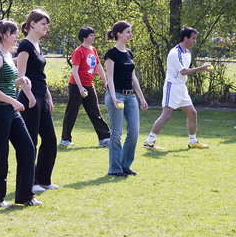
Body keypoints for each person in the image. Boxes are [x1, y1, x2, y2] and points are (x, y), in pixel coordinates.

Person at [0, 20, 42, 207]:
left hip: (9, 109)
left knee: (27, 148)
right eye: (14, 33)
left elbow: (6, 82)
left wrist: (20, 80)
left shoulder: (8, 55)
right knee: (0, 155)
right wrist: (13, 101)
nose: (17, 36)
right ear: (2, 35)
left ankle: (25, 196)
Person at [143, 27, 212, 150]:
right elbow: (183, 72)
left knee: (192, 113)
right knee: (166, 115)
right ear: (185, 38)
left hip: (181, 87)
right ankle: (149, 141)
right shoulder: (175, 53)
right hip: (172, 86)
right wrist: (201, 68)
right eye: (193, 38)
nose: (194, 41)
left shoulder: (188, 53)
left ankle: (193, 141)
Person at [17, 9, 59, 193]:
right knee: (30, 140)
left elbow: (41, 76)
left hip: (41, 96)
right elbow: (21, 76)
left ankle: (44, 179)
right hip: (29, 98)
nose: (46, 27)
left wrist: (48, 97)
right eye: (43, 24)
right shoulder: (25, 45)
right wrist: (31, 96)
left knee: (50, 139)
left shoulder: (37, 45)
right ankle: (31, 181)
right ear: (32, 24)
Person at [104, 20, 148, 177]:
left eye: (130, 32)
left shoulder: (129, 53)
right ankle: (114, 169)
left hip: (131, 97)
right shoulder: (111, 54)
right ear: (119, 34)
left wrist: (141, 98)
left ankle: (125, 165)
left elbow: (133, 77)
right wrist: (115, 98)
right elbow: (109, 78)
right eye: (128, 32)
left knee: (134, 132)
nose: (131, 35)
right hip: (117, 96)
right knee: (116, 134)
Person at [60, 26, 111, 148]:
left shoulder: (93, 49)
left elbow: (98, 66)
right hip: (76, 86)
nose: (93, 37)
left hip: (89, 85)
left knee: (95, 111)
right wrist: (80, 87)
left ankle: (104, 138)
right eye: (91, 35)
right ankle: (65, 139)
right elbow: (75, 71)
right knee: (72, 112)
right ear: (84, 37)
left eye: (93, 35)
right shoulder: (78, 51)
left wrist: (106, 82)